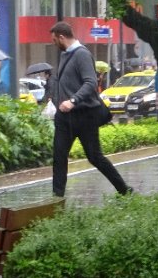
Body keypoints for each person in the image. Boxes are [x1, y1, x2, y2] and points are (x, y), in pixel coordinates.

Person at [49, 21, 133, 197]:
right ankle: (57, 198)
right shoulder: (65, 55)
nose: (54, 44)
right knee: (59, 156)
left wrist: (73, 100)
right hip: (65, 118)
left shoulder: (82, 54)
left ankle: (124, 190)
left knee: (94, 157)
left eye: (54, 40)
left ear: (62, 37)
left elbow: (91, 82)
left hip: (84, 116)